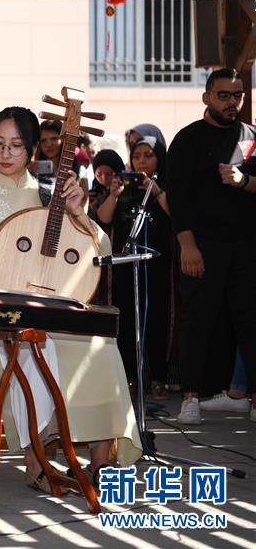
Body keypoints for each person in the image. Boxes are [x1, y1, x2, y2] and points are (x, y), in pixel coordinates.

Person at [0, 106, 142, 489]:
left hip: (53, 307)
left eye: (16, 146)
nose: (4, 154)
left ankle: (99, 464)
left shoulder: (49, 195)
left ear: (34, 149)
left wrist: (79, 213)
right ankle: (37, 464)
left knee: (100, 345)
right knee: (33, 351)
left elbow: (99, 248)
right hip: (0, 312)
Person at [166, 67, 256, 425]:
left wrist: (243, 180)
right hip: (202, 245)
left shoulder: (252, 136)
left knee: (250, 322)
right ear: (207, 97)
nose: (232, 102)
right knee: (197, 321)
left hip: (247, 247)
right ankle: (190, 397)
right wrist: (188, 245)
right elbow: (178, 198)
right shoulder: (188, 139)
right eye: (224, 95)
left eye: (237, 95)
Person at [93, 137, 173, 397]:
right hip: (125, 268)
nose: (142, 161)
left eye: (148, 155)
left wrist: (156, 189)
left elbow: (176, 213)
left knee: (156, 319)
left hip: (156, 267)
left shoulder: (163, 187)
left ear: (158, 158)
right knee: (126, 320)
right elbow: (103, 218)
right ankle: (128, 376)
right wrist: (114, 193)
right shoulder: (123, 188)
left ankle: (158, 377)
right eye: (137, 156)